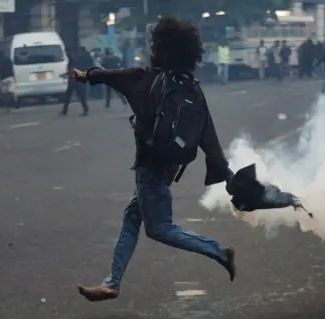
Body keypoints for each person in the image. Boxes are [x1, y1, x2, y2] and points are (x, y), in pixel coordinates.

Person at [73, 16, 236, 302]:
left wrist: (86, 75)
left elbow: (107, 75)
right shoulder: (190, 87)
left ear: (159, 48)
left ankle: (219, 252)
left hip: (149, 167)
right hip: (169, 166)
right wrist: (224, 169)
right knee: (132, 216)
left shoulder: (142, 77)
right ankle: (112, 283)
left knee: (160, 228)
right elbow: (208, 134)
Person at [61, 50, 89, 116]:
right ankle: (85, 108)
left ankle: (65, 110)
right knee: (81, 96)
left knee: (68, 96)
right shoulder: (78, 62)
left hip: (73, 82)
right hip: (78, 81)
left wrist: (66, 74)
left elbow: (71, 71)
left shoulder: (71, 64)